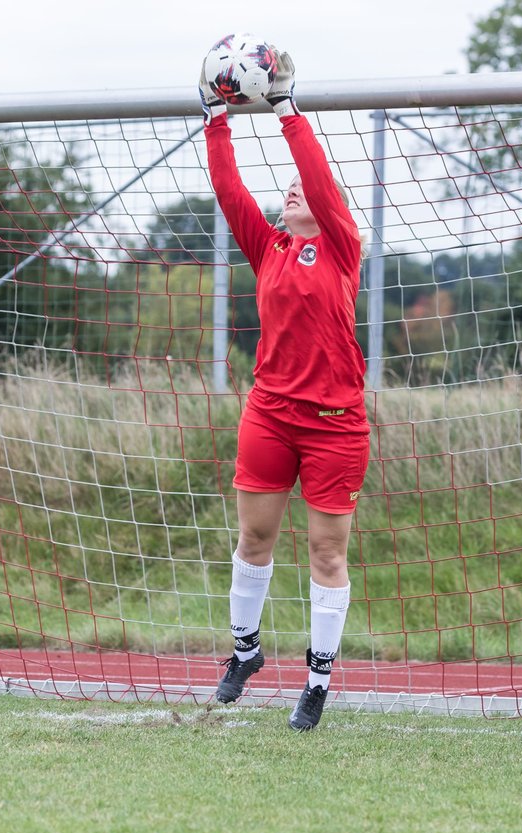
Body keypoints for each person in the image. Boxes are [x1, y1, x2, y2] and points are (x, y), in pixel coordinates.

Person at [199, 47, 369, 732]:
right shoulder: (267, 245)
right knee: (254, 536)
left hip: (336, 424)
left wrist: (285, 109)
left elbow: (320, 180)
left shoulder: (341, 244)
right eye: (289, 188)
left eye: (306, 189)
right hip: (269, 414)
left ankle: (319, 681)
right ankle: (244, 653)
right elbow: (229, 188)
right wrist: (217, 116)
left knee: (327, 551)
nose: (294, 190)